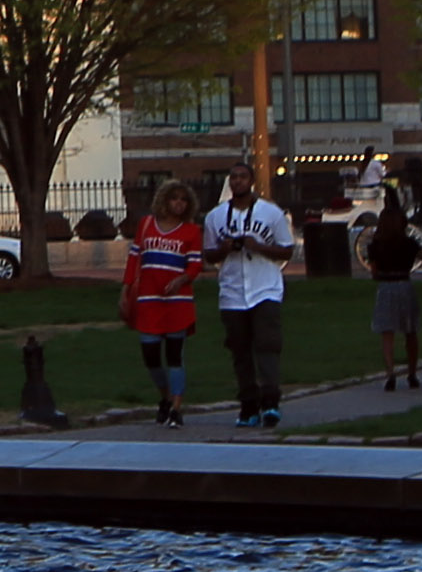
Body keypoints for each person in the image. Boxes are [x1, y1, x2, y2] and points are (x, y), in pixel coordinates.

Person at [206, 165, 301, 428]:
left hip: (265, 289)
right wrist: (224, 249)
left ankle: (270, 402)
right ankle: (248, 405)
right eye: (233, 178)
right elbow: (208, 255)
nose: (237, 182)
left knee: (267, 345)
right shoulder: (215, 217)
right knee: (240, 351)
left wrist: (257, 246)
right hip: (232, 292)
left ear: (251, 181)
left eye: (242, 177)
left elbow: (286, 251)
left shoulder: (270, 212)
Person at [122, 180, 204, 421]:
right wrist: (125, 292)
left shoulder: (191, 231)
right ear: (164, 200)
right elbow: (133, 259)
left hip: (177, 300)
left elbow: (196, 264)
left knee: (174, 354)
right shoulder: (146, 225)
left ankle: (177, 408)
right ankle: (165, 396)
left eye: (183, 199)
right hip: (148, 299)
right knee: (150, 355)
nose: (178, 203)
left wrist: (182, 280)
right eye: (174, 198)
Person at [365, 189, 422, 390]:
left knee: (387, 334)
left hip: (386, 286)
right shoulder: (409, 243)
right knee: (410, 332)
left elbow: (374, 271)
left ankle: (390, 374)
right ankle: (412, 373)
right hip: (404, 284)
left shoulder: (376, 245)